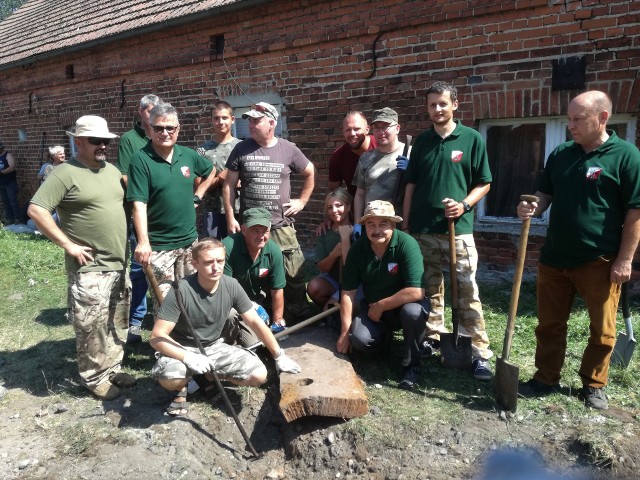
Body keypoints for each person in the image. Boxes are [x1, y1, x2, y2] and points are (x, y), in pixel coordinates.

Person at [517, 90, 640, 410]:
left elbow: (635, 213)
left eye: (577, 119)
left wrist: (625, 259)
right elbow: (544, 194)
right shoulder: (561, 155)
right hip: (555, 257)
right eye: (568, 118)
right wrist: (532, 205)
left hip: (599, 260)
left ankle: (593, 384)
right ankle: (545, 377)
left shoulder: (626, 156)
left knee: (602, 329)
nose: (570, 125)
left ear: (602, 118)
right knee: (548, 324)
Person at [27, 115, 135, 400]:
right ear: (78, 141)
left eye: (105, 141)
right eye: (95, 141)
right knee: (91, 325)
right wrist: (69, 245)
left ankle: (112, 368)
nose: (103, 146)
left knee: (116, 320)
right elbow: (36, 210)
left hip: (119, 262)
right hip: (90, 267)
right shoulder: (64, 173)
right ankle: (95, 378)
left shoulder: (111, 170)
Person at [402, 81, 493, 381]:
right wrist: (405, 222)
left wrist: (464, 205)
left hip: (459, 230)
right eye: (432, 105)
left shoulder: (471, 139)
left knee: (466, 291)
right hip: (424, 229)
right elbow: (411, 183)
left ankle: (478, 353)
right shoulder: (423, 142)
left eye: (442, 103)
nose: (437, 109)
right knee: (430, 288)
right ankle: (433, 337)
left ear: (455, 103)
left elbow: (484, 182)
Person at [149, 238, 301, 416]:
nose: (216, 267)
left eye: (220, 261)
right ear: (195, 263)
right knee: (171, 376)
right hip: (181, 347)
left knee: (258, 375)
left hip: (213, 346)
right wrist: (187, 356)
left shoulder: (231, 285)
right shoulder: (180, 290)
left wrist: (278, 355)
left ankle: (208, 376)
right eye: (208, 262)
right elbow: (157, 337)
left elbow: (255, 322)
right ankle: (181, 388)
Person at [223, 102, 315, 322]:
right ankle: (253, 315)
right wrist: (230, 216)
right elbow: (229, 185)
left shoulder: (289, 149)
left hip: (280, 225)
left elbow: (310, 172)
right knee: (249, 273)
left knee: (292, 273)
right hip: (252, 226)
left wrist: (302, 201)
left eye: (256, 120)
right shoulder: (241, 149)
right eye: (250, 121)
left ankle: (297, 315)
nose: (251, 125)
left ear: (272, 123)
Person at [127, 102, 215, 306]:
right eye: (158, 128)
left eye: (170, 128)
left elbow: (210, 171)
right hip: (159, 247)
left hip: (189, 243)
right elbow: (138, 204)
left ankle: (191, 337)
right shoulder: (140, 160)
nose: (165, 132)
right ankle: (168, 338)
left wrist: (198, 195)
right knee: (166, 305)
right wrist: (143, 241)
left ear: (178, 129)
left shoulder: (188, 155)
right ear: (149, 129)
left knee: (193, 298)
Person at [338, 200, 428, 390]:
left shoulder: (407, 244)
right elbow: (348, 292)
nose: (377, 230)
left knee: (412, 313)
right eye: (371, 224)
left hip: (405, 305)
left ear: (393, 225)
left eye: (383, 224)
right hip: (374, 310)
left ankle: (412, 366)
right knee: (359, 339)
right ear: (364, 226)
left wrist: (381, 305)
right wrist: (345, 333)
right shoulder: (358, 250)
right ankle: (384, 344)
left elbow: (417, 290)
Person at [117, 94, 162, 343]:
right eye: (149, 112)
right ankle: (135, 321)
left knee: (165, 267)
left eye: (157, 112)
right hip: (140, 211)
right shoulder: (130, 140)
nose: (153, 116)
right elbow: (125, 176)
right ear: (140, 112)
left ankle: (164, 317)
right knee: (139, 267)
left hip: (162, 215)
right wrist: (149, 194)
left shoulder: (161, 135)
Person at [222, 207, 286, 346]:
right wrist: (249, 305)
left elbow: (277, 290)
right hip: (228, 303)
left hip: (255, 303)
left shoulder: (273, 251)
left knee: (252, 343)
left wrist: (278, 321)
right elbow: (224, 290)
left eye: (265, 231)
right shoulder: (228, 248)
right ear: (244, 230)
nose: (261, 236)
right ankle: (225, 340)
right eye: (256, 231)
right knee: (229, 316)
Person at [351, 107, 406, 240]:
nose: (381, 132)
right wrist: (358, 223)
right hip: (372, 227)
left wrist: (413, 171)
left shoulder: (410, 154)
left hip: (400, 226)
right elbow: (359, 194)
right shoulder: (366, 158)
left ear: (397, 128)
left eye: (385, 127)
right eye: (377, 128)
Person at [198, 100, 242, 239]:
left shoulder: (243, 147)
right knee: (213, 254)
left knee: (239, 254)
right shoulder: (203, 151)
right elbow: (199, 186)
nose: (220, 122)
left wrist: (241, 181)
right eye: (216, 118)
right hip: (214, 212)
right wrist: (219, 179)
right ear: (211, 120)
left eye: (224, 118)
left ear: (232, 119)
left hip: (240, 209)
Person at [307, 188, 353, 308]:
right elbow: (323, 268)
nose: (334, 211)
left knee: (331, 311)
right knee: (314, 287)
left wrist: (346, 238)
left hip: (354, 283)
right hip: (333, 280)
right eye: (330, 207)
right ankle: (331, 310)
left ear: (348, 207)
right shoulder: (324, 232)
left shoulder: (358, 231)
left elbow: (351, 268)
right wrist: (334, 254)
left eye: (339, 205)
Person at [328, 111, 377, 197]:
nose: (352, 134)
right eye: (348, 130)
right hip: (357, 207)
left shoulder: (380, 146)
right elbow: (334, 191)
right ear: (343, 132)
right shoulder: (338, 156)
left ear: (367, 129)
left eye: (356, 129)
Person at [0, 140, 20, 225]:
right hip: (1, 183)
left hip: (9, 182)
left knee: (13, 201)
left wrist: (2, 172)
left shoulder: (7, 155)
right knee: (5, 201)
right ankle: (10, 218)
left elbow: (12, 167)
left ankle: (17, 218)